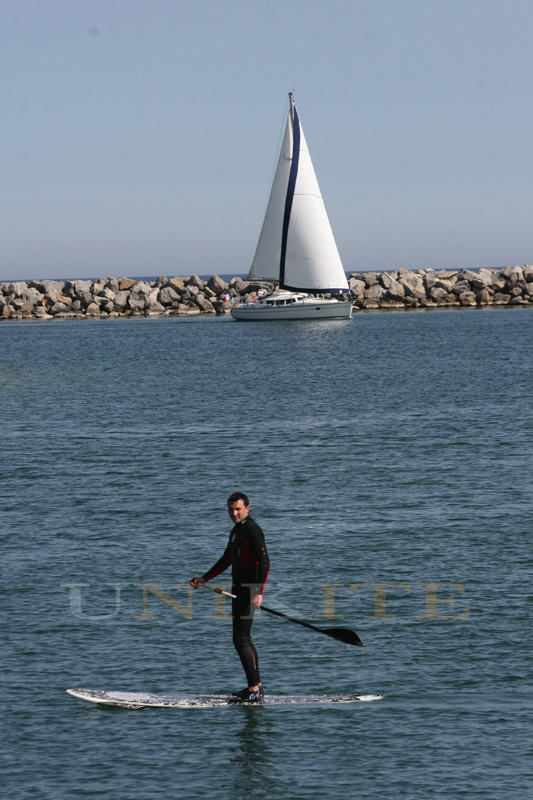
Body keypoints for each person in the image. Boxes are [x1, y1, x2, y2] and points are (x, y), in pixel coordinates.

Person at [190, 492, 270, 703]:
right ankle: (256, 687)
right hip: (238, 588)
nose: (234, 513)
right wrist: (205, 578)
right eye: (231, 509)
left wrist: (259, 592)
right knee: (243, 639)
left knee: (241, 639)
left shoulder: (252, 530)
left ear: (247, 508)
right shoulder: (236, 531)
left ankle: (254, 690)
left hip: (250, 590)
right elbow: (227, 559)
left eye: (238, 509)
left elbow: (265, 562)